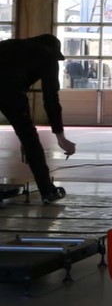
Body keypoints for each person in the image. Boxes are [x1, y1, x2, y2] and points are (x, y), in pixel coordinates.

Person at [0, 34, 77, 204]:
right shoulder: (47, 57)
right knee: (30, 139)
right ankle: (47, 191)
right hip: (10, 92)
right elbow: (50, 99)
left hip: (10, 88)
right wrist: (60, 137)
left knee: (27, 138)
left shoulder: (9, 45)